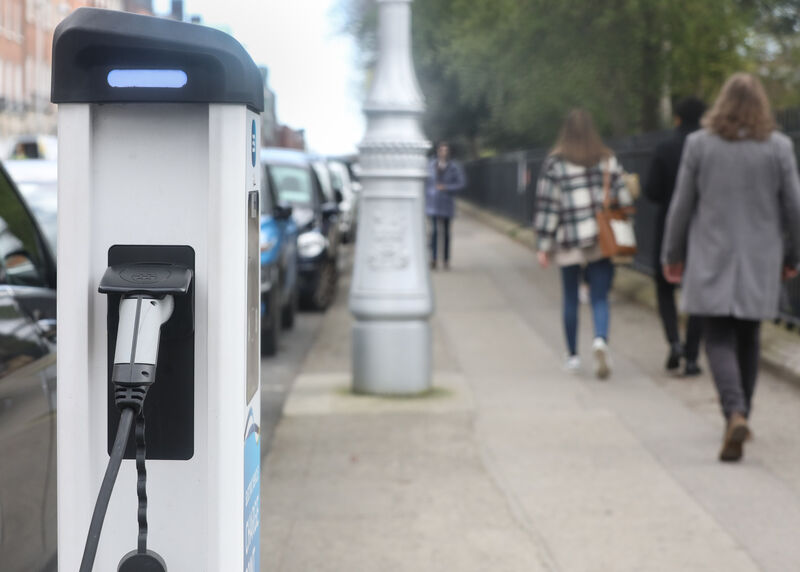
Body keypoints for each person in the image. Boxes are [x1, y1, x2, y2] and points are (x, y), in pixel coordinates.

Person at [662, 73, 800, 462]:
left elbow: (682, 205)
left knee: (717, 336)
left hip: (712, 254)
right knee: (749, 336)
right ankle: (739, 416)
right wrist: (793, 257)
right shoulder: (779, 147)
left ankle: (734, 412)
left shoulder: (699, 145)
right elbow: (794, 208)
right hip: (760, 258)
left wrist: (672, 255)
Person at [535, 109, 634, 379]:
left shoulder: (554, 164)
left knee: (570, 297)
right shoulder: (607, 160)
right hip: (600, 238)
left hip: (567, 239)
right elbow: (624, 199)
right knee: (599, 296)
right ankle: (600, 340)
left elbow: (548, 207)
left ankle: (573, 356)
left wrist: (543, 245)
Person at [644, 97, 706, 376]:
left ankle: (674, 342)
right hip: (702, 228)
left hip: (669, 225)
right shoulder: (709, 148)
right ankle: (692, 355)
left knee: (664, 286)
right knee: (698, 293)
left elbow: (652, 190)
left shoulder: (666, 147)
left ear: (677, 118)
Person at [425, 141, 466, 270]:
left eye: (445, 150)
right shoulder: (430, 166)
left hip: (447, 202)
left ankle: (446, 260)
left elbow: (461, 183)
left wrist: (446, 187)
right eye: (441, 150)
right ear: (437, 151)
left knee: (447, 233)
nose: (443, 152)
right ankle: (434, 259)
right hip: (433, 203)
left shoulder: (454, 167)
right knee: (435, 231)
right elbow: (425, 183)